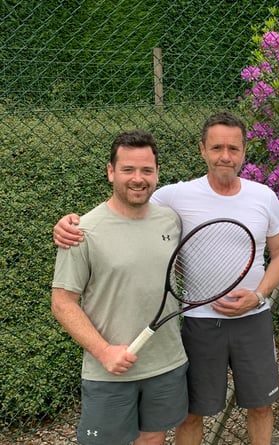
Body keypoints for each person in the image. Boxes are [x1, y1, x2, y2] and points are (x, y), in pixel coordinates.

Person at [53, 111, 279, 445]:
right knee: (191, 415)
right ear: (202, 150)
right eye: (217, 147)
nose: (225, 156)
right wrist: (68, 224)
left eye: (233, 148)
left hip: (253, 320)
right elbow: (122, 209)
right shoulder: (172, 197)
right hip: (198, 323)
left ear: (244, 151)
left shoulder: (263, 197)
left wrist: (260, 295)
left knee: (261, 406)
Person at [51, 129, 188, 445]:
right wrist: (104, 351)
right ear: (111, 171)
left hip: (166, 362)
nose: (138, 178)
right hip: (109, 370)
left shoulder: (171, 220)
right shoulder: (82, 230)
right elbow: (62, 303)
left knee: (153, 439)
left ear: (157, 173)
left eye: (146, 170)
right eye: (128, 169)